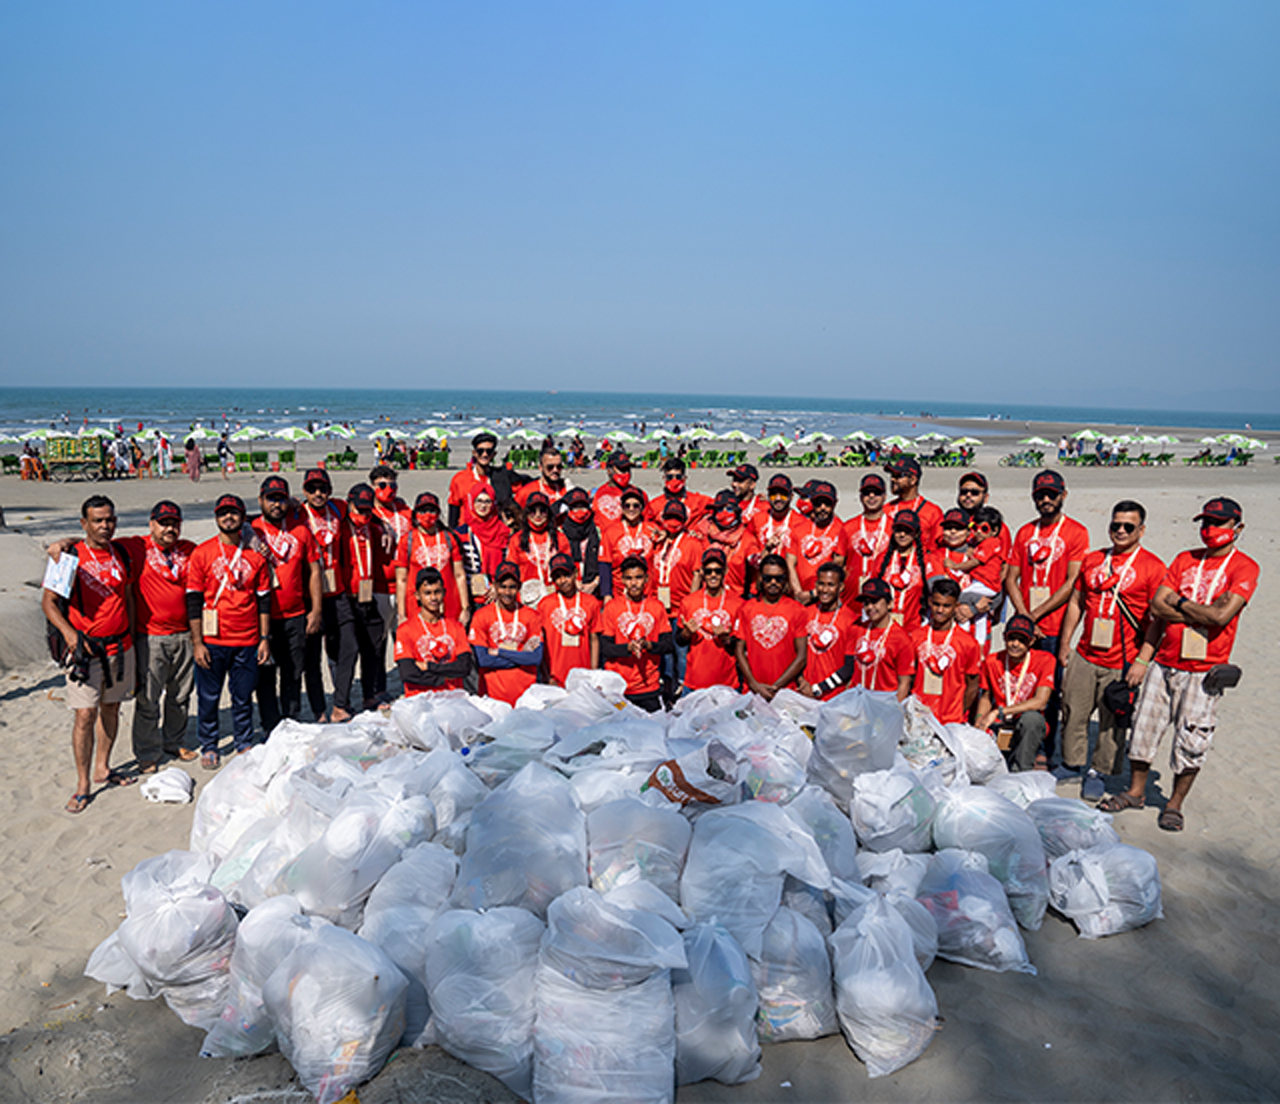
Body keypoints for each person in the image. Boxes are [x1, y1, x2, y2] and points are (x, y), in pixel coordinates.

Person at [1100, 497, 1259, 832]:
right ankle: (1136, 791)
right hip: (1165, 660)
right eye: (1205, 522)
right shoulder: (1185, 559)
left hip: (1205, 668)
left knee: (1192, 738)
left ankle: (1174, 804)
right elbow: (1158, 607)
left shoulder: (1243, 567)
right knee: (1143, 729)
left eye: (1218, 523)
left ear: (1237, 528)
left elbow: (1221, 615)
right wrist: (1194, 611)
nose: (1209, 530)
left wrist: (1181, 602)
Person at [1057, 500, 1166, 800]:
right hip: (1086, 652)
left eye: (1128, 526)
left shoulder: (1153, 567)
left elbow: (1157, 622)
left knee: (1111, 720)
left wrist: (1142, 661)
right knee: (1073, 711)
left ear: (1141, 530)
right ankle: (1072, 762)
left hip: (1123, 658)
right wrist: (1066, 643)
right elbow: (1077, 602)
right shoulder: (1093, 560)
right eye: (1115, 525)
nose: (1120, 531)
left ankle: (1099, 771)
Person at [42, 495, 139, 812]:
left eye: (109, 519)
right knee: (85, 715)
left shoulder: (120, 552)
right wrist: (70, 634)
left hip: (120, 646)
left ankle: (103, 768)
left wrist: (133, 638)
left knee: (111, 709)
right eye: (97, 520)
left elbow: (127, 596)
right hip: (85, 650)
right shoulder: (69, 557)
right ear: (84, 523)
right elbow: (49, 603)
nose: (105, 525)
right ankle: (83, 784)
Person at [1005, 469, 1090, 765]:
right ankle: (1018, 743)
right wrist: (1024, 616)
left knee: (1051, 693)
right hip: (1024, 626)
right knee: (1019, 684)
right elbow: (1011, 579)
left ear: (1063, 495)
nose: (1046, 499)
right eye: (1040, 494)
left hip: (1052, 628)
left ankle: (1047, 750)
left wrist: (1036, 615)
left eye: (1051, 494)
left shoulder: (1076, 532)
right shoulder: (1025, 532)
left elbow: (1072, 582)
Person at [186, 494, 271, 769]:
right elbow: (194, 600)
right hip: (212, 640)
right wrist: (197, 643)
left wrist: (264, 639)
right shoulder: (202, 553)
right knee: (208, 697)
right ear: (216, 517)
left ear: (243, 518)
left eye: (234, 513)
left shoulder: (256, 557)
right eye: (223, 513)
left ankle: (243, 741)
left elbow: (264, 600)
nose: (228, 517)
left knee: (242, 696)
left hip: (246, 639)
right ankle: (209, 744)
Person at [120, 501, 198, 770]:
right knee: (148, 699)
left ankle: (173, 743)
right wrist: (64, 543)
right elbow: (98, 541)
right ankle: (147, 752)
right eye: (163, 523)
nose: (169, 528)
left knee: (180, 696)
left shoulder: (189, 549)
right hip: (151, 637)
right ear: (151, 524)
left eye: (174, 523)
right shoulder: (136, 546)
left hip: (185, 636)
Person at [249, 476, 321, 737]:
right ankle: (270, 724)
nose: (276, 504)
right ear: (261, 500)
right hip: (262, 617)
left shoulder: (301, 530)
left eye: (281, 498)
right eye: (271, 498)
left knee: (292, 673)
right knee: (265, 675)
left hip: (295, 614)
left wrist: (316, 610)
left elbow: (314, 570)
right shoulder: (251, 529)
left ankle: (291, 721)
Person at [296, 468, 349, 722]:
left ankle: (340, 704)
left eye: (323, 488)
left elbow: (366, 508)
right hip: (309, 595)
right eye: (313, 489)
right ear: (305, 491)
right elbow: (258, 520)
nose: (318, 493)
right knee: (312, 657)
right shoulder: (297, 513)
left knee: (344, 649)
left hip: (337, 592)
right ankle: (319, 710)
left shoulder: (338, 508)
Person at [338, 483, 396, 715]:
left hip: (367, 595)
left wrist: (385, 526)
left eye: (367, 510)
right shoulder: (340, 528)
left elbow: (381, 523)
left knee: (375, 644)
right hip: (346, 598)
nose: (362, 514)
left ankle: (369, 696)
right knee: (349, 650)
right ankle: (340, 704)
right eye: (358, 509)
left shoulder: (372, 527)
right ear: (349, 504)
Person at [976, 614, 1056, 771]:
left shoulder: (1045, 660)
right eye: (1011, 638)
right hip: (999, 723)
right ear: (1004, 637)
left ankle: (1021, 771)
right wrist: (979, 721)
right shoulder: (992, 661)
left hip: (1024, 723)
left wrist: (1001, 711)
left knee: (1032, 720)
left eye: (1022, 640)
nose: (1015, 644)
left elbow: (1041, 701)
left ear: (1031, 641)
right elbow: (985, 696)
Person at [599, 555, 673, 712]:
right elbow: (605, 648)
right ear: (622, 580)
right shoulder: (612, 608)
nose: (634, 583)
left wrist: (648, 645)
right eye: (629, 578)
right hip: (618, 688)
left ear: (646, 578)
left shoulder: (657, 606)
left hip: (648, 687)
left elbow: (668, 645)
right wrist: (628, 648)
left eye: (638, 577)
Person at [734, 553, 808, 701]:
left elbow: (801, 657)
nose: (773, 582)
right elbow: (739, 651)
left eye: (778, 578)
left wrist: (776, 687)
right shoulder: (746, 609)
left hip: (786, 692)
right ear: (760, 578)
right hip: (753, 691)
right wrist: (754, 685)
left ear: (785, 579)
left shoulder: (798, 610)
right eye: (768, 578)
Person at [651, 499, 705, 703]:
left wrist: (690, 604)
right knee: (664, 655)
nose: (673, 522)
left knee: (682, 654)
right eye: (669, 518)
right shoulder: (658, 542)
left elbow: (697, 574)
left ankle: (683, 693)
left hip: (680, 607)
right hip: (659, 609)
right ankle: (666, 691)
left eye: (677, 518)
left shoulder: (692, 543)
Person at [468, 561, 544, 704]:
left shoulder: (532, 616)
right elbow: (483, 660)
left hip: (525, 696)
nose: (507, 593)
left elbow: (535, 658)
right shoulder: (481, 616)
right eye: (502, 587)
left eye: (512, 587)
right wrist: (521, 658)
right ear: (495, 586)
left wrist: (500, 653)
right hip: (492, 696)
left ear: (519, 587)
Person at [910, 578, 982, 724]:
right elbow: (907, 678)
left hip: (951, 720)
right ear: (930, 601)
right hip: (918, 716)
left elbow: (972, 686)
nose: (940, 610)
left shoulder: (968, 643)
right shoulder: (915, 637)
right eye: (936, 604)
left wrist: (959, 713)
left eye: (946, 606)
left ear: (957, 606)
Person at [394, 568, 475, 696]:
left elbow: (464, 667)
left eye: (437, 592)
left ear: (444, 592)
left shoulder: (456, 627)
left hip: (453, 698)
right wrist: (443, 679)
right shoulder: (405, 630)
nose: (433, 598)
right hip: (420, 699)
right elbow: (408, 673)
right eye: (427, 593)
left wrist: (429, 667)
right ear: (417, 596)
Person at [396, 491, 470, 626]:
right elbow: (401, 579)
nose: (427, 515)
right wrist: (401, 613)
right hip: (416, 605)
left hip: (449, 605)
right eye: (422, 511)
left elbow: (459, 575)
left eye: (431, 510)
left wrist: (465, 608)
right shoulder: (407, 540)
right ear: (415, 514)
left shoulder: (449, 538)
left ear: (438, 513)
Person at [678, 547, 744, 692]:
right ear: (702, 572)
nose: (713, 575)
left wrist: (726, 639)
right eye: (708, 571)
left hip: (726, 683)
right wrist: (686, 633)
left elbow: (742, 647)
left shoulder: (738, 604)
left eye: (717, 571)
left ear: (725, 571)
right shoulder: (688, 602)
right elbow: (679, 641)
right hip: (694, 683)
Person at [845, 578, 915, 699]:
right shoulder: (857, 629)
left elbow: (904, 683)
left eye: (875, 601)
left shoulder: (901, 638)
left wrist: (894, 711)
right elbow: (849, 671)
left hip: (885, 704)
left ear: (889, 604)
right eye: (866, 603)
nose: (870, 607)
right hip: (857, 702)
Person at [538, 552, 601, 686]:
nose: (562, 581)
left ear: (575, 573)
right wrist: (546, 675)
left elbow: (594, 639)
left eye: (566, 575)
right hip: (555, 677)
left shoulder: (591, 602)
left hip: (584, 675)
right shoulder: (545, 605)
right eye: (557, 577)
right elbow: (541, 642)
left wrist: (594, 673)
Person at [798, 562, 859, 700]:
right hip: (803, 692)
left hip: (832, 697)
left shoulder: (851, 620)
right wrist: (802, 682)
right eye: (821, 584)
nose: (824, 590)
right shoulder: (806, 613)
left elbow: (849, 667)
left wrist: (819, 688)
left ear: (841, 587)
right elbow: (796, 654)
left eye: (831, 585)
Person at [370, 465, 412, 645]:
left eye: (392, 486)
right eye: (382, 485)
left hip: (406, 584)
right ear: (372, 486)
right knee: (379, 638)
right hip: (381, 587)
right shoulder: (368, 513)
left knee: (404, 637)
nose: (388, 490)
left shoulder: (404, 510)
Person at [787, 480, 848, 604]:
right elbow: (790, 563)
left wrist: (814, 593)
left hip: (826, 596)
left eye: (827, 504)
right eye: (818, 504)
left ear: (835, 503)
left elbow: (839, 568)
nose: (822, 508)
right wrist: (798, 593)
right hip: (800, 594)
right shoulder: (799, 529)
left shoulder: (841, 530)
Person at [505, 491, 570, 606]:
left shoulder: (560, 538)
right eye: (533, 511)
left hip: (555, 597)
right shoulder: (517, 539)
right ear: (526, 513)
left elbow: (568, 571)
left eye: (543, 511)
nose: (538, 515)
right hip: (526, 599)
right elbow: (511, 571)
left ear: (549, 513)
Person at [696, 490, 761, 599]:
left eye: (729, 509)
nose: (724, 513)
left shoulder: (746, 538)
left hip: (735, 598)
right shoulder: (702, 532)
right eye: (720, 509)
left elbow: (755, 569)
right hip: (706, 596)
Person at [454, 485, 511, 608]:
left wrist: (498, 586)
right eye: (478, 501)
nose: (483, 506)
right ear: (471, 502)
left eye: (487, 501)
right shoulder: (460, 533)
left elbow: (508, 562)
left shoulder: (502, 531)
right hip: (469, 595)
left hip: (498, 594)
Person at [842, 473, 892, 607]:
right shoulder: (848, 527)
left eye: (876, 493)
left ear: (885, 497)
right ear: (860, 497)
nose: (871, 496)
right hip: (852, 599)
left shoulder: (893, 528)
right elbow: (839, 563)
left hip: (882, 599)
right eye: (867, 493)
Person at [875, 509, 929, 628]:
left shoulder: (925, 560)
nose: (902, 535)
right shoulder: (882, 559)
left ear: (916, 533)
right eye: (899, 530)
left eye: (907, 531)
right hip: (885, 625)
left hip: (914, 626)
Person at [600, 486, 654, 596]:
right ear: (621, 508)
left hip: (647, 593)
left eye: (636, 506)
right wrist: (606, 594)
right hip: (620, 593)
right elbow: (605, 564)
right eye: (627, 505)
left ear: (642, 508)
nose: (631, 509)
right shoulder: (611, 531)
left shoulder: (652, 529)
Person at [884, 457, 943, 550]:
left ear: (913, 480)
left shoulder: (932, 512)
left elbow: (937, 548)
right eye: (892, 475)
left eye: (898, 476)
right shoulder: (885, 509)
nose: (892, 479)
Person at [557, 487, 602, 595]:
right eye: (575, 508)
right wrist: (573, 582)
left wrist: (594, 583)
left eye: (583, 507)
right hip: (567, 588)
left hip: (594, 587)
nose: (580, 512)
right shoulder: (560, 532)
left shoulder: (598, 531)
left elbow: (605, 562)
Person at [647, 456, 711, 525]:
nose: (674, 480)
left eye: (678, 477)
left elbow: (719, 508)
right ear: (664, 478)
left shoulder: (698, 501)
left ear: (684, 478)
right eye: (670, 477)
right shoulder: (654, 505)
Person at [752, 474, 801, 561]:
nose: (778, 498)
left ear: (792, 497)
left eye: (783, 495)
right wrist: (767, 549)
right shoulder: (756, 519)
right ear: (768, 496)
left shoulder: (801, 523)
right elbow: (751, 559)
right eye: (773, 494)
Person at [592, 450, 634, 525]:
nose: (626, 473)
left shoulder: (638, 493)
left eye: (628, 469)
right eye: (622, 469)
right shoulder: (597, 494)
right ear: (609, 471)